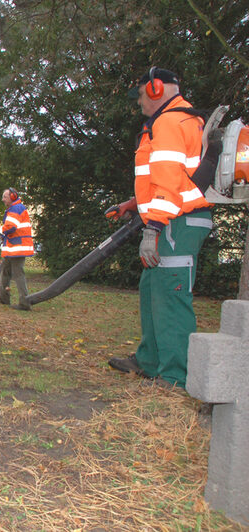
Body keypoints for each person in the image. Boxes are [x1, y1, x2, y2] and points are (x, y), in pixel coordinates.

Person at [107, 67, 212, 389]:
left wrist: (152, 229)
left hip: (175, 222)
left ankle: (175, 375)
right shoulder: (175, 121)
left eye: (140, 95)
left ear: (155, 89)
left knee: (170, 295)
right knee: (152, 289)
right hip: (170, 217)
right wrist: (135, 202)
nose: (138, 103)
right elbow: (170, 180)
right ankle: (149, 361)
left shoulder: (169, 122)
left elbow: (170, 186)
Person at [0, 188, 34, 311]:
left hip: (18, 248)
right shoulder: (14, 208)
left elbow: (10, 227)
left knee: (18, 274)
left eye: (5, 197)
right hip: (13, 248)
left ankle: (25, 303)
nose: (3, 199)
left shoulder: (16, 208)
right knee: (4, 269)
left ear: (13, 197)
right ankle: (3, 298)